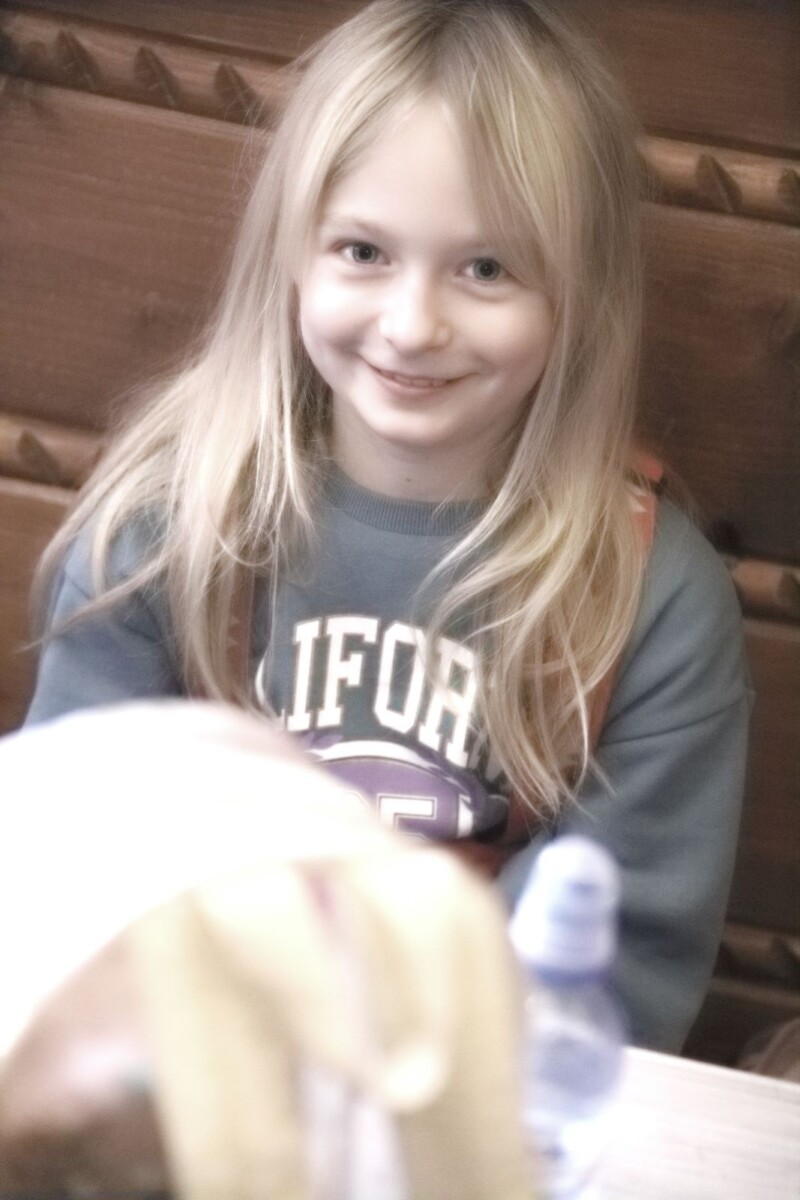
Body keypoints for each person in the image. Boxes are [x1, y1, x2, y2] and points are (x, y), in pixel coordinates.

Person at [23, 0, 750, 1053]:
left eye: (486, 268)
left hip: (477, 1085)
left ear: (580, 294)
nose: (412, 326)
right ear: (293, 254)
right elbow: (68, 856)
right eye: (363, 250)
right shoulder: (160, 526)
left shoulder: (653, 600)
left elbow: (613, 962)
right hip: (181, 1055)